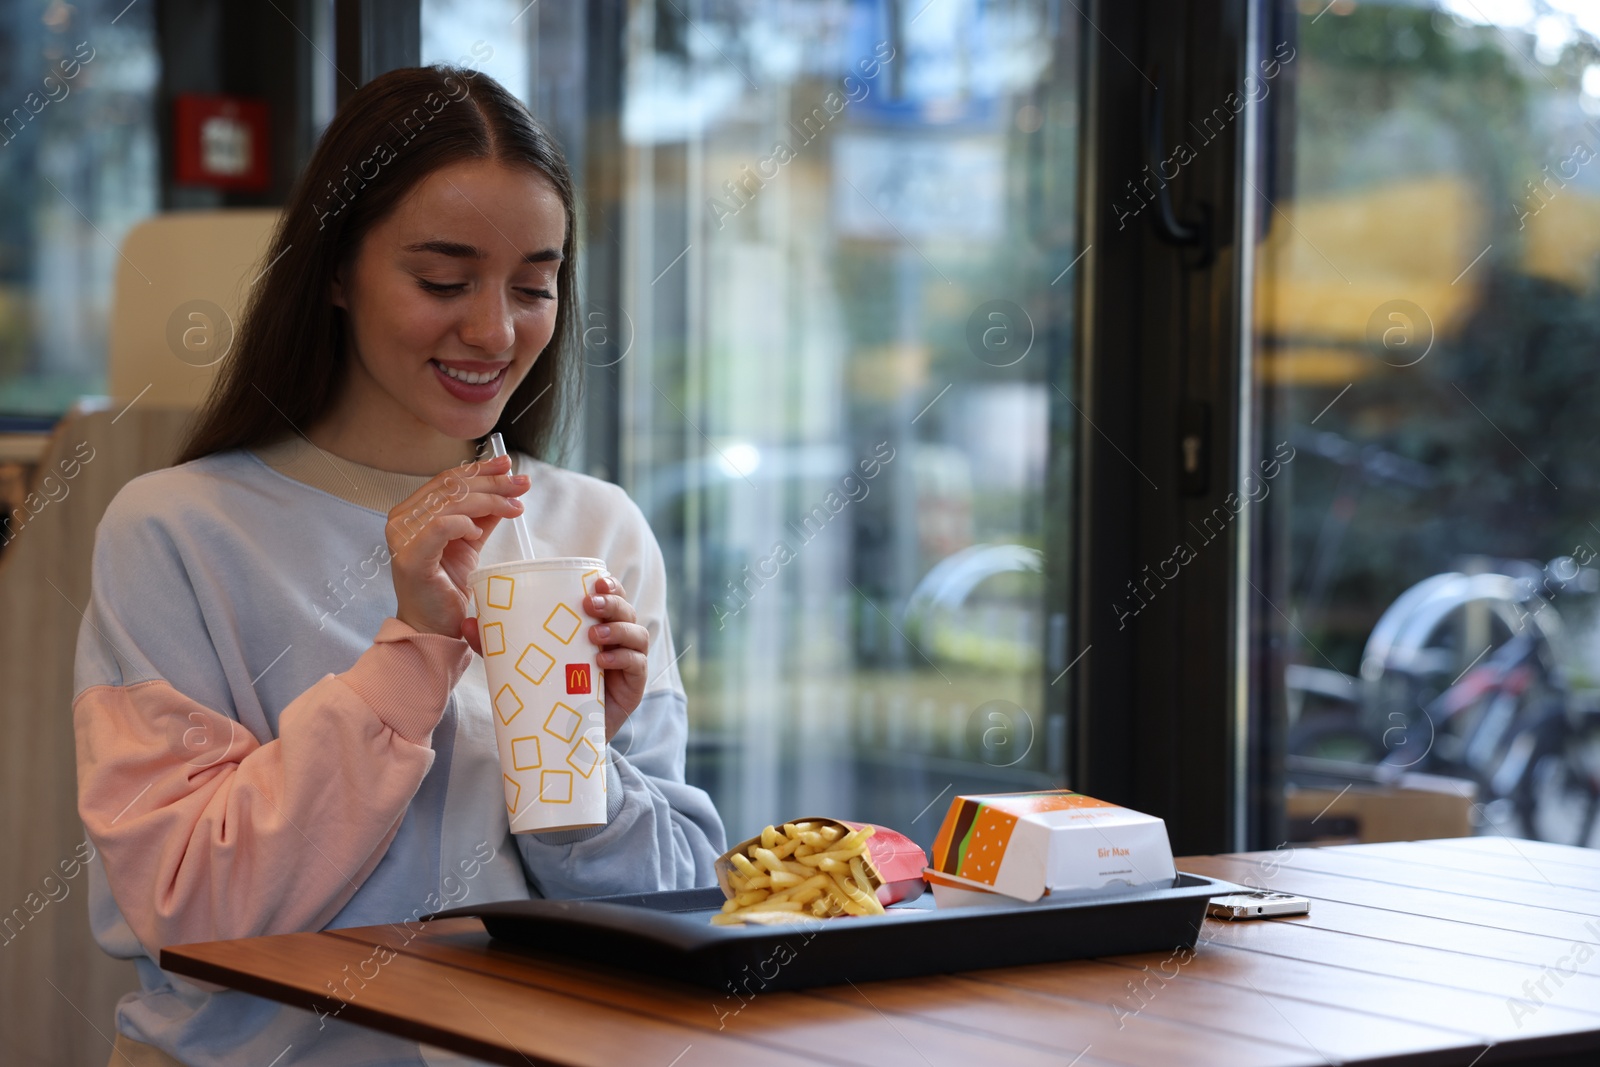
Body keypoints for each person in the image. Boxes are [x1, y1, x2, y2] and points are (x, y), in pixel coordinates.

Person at [72, 65, 725, 1067]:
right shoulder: (177, 530)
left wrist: (573, 760)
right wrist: (415, 645)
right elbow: (181, 908)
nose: (495, 330)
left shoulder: (594, 525)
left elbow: (675, 904)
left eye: (534, 284)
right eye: (442, 279)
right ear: (335, 269)